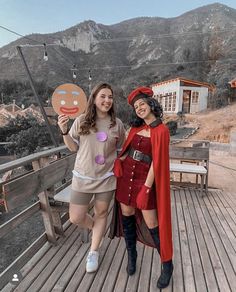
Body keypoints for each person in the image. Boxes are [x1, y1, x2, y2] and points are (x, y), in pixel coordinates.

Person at [58, 82, 126, 273]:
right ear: (94, 99)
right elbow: (72, 147)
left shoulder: (117, 124)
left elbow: (123, 150)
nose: (107, 100)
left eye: (110, 97)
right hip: (82, 177)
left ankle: (93, 251)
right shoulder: (81, 120)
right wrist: (64, 130)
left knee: (102, 213)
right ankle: (97, 229)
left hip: (106, 179)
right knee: (76, 217)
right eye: (103, 96)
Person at [110, 86, 173, 289]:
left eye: (142, 104)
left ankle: (167, 265)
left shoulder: (161, 130)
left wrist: (147, 187)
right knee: (127, 218)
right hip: (127, 178)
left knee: (153, 224)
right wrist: (119, 160)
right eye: (136, 106)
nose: (139, 108)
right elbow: (128, 149)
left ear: (151, 104)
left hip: (145, 181)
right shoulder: (135, 129)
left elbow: (157, 161)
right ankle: (132, 256)